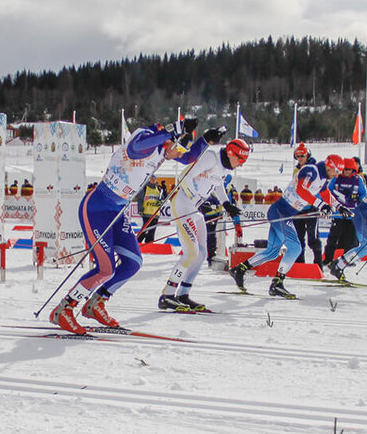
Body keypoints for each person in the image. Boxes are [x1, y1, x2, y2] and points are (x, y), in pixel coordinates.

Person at [49, 118, 199, 334]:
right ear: (170, 140)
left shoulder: (161, 150)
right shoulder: (144, 139)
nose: (179, 153)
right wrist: (172, 131)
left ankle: (96, 303)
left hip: (116, 212)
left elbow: (189, 158)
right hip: (96, 208)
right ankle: (64, 309)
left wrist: (207, 141)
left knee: (133, 262)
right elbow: (136, 147)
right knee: (105, 269)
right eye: (179, 146)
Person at [230, 153, 344, 298]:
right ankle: (277, 283)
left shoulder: (322, 178)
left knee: (272, 251)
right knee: (295, 248)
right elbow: (301, 190)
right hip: (281, 212)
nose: (336, 175)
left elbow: (326, 193)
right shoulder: (311, 170)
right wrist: (320, 204)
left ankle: (239, 270)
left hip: (284, 213)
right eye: (336, 171)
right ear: (329, 166)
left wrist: (339, 207)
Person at [158, 136, 250, 312]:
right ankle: (167, 295)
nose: (242, 163)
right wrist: (195, 196)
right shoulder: (211, 158)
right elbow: (187, 174)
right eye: (240, 159)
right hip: (184, 203)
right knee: (191, 253)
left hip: (194, 208)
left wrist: (227, 204)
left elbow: (218, 185)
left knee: (201, 254)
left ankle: (183, 294)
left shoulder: (224, 167)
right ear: (231, 153)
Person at [323, 157, 362, 266]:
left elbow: (363, 194)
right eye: (345, 169)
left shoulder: (358, 180)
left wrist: (360, 203)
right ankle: (328, 259)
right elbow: (328, 191)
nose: (347, 172)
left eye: (349, 170)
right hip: (338, 214)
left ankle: (348, 260)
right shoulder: (336, 179)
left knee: (351, 239)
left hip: (352, 214)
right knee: (333, 238)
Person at [290, 143, 323, 264]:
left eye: (302, 156)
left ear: (307, 155)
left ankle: (318, 264)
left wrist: (318, 203)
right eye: (297, 156)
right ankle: (299, 263)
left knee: (313, 238)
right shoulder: (296, 170)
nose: (300, 158)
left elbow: (320, 188)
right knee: (298, 238)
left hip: (311, 208)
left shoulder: (314, 169)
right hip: (298, 208)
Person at [135, 177, 165, 244]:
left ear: (156, 180)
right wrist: (140, 209)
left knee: (152, 230)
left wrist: (161, 202)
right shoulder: (145, 188)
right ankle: (137, 242)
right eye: (151, 179)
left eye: (154, 179)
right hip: (146, 212)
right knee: (145, 229)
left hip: (155, 213)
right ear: (149, 180)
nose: (153, 180)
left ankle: (149, 243)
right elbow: (140, 199)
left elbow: (162, 199)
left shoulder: (159, 189)